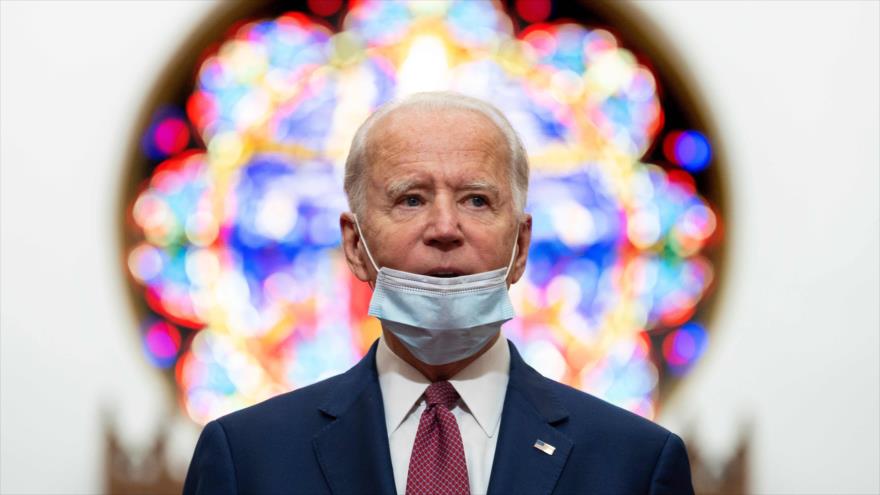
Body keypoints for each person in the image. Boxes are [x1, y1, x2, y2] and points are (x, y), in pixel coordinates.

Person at [183, 92, 694, 495]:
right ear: (355, 246)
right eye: (410, 199)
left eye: (476, 200)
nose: (445, 227)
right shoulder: (249, 458)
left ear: (520, 247)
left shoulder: (633, 464)